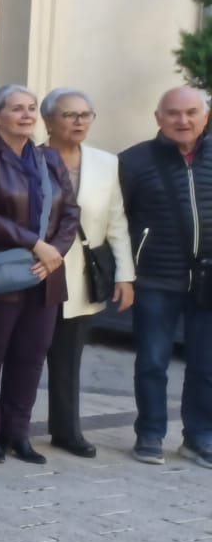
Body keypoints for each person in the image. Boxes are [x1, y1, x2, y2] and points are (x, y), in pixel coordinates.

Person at [0, 85, 80, 465]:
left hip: (47, 272)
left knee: (31, 355)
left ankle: (18, 433)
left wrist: (54, 253)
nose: (27, 115)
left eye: (31, 108)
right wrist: (35, 244)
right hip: (4, 271)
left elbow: (70, 213)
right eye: (17, 109)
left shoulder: (49, 157)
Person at [118, 86, 212, 467]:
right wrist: (124, 274)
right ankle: (150, 433)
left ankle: (200, 437)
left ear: (206, 116)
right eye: (173, 113)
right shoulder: (133, 161)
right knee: (152, 362)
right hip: (155, 279)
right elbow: (117, 222)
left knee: (206, 365)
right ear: (158, 118)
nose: (182, 120)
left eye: (191, 112)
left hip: (208, 281)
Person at [42, 88, 135, 458]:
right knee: (23, 356)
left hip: (82, 276)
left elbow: (116, 221)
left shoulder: (106, 163)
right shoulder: (31, 159)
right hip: (38, 272)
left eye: (85, 115)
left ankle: (67, 431)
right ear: (49, 121)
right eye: (69, 115)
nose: (79, 122)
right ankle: (9, 429)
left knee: (69, 359)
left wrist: (125, 275)